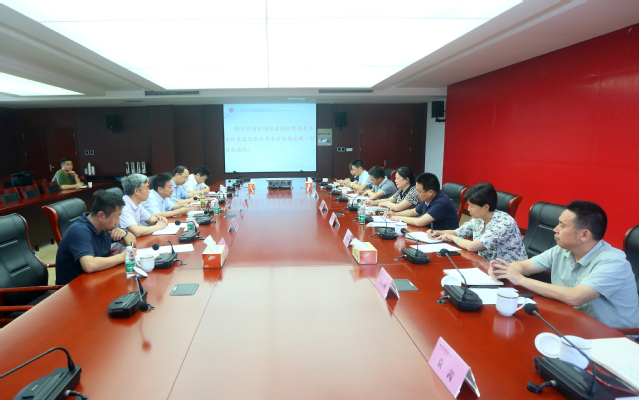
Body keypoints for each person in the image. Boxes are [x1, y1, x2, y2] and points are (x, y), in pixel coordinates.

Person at [489, 200, 639, 328]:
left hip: (613, 336)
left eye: (562, 226)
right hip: (571, 320)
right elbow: (524, 266)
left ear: (584, 235)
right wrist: (503, 270)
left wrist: (521, 280)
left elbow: (575, 297)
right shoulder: (563, 250)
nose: (555, 229)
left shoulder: (613, 262)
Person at [429, 182, 527, 263]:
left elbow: (473, 246)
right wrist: (437, 232)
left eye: (471, 206)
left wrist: (453, 238)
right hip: (486, 265)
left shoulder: (504, 223)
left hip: (511, 272)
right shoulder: (478, 218)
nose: (468, 209)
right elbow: (457, 232)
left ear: (486, 207)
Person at [55, 190, 136, 285]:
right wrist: (122, 257)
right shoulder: (80, 231)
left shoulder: (104, 226)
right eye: (116, 217)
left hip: (96, 279)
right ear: (101, 216)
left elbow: (132, 243)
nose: (118, 222)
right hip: (74, 288)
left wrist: (124, 233)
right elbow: (89, 265)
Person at [387, 173, 459, 230]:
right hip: (429, 233)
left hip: (444, 239)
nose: (417, 193)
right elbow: (414, 212)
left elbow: (420, 222)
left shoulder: (442, 203)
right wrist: (395, 214)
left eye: (419, 191)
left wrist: (397, 218)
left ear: (430, 192)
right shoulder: (428, 198)